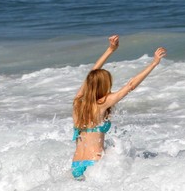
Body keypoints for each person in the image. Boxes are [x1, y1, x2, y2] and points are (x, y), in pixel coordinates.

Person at [71, 35, 166, 179]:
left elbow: (91, 74)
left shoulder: (78, 103)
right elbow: (130, 85)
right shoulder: (103, 103)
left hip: (76, 166)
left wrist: (110, 50)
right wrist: (154, 63)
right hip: (94, 165)